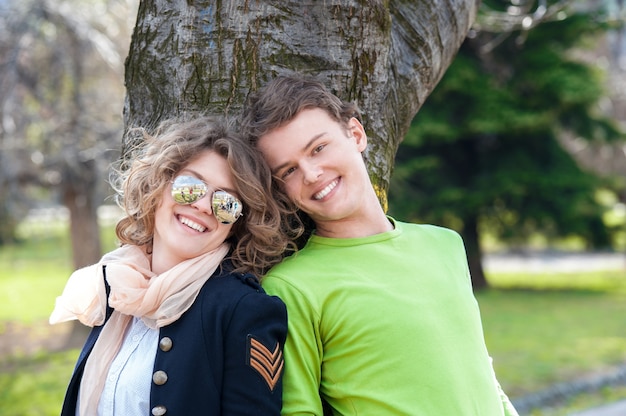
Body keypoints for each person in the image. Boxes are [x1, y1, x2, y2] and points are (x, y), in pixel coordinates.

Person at [241, 74, 520, 415]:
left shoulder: (445, 244)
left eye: (318, 148)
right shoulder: (290, 288)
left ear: (355, 134)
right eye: (288, 171)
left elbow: (481, 376)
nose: (312, 174)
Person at [49, 116, 296, 415]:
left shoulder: (242, 310)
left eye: (226, 203)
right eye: (190, 186)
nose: (204, 206)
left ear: (236, 224)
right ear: (157, 186)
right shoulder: (120, 285)